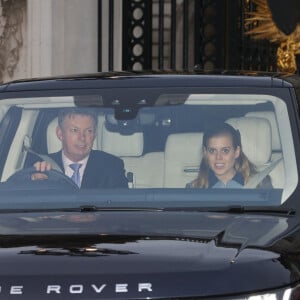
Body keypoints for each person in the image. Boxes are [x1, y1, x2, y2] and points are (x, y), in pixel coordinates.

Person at [34, 107, 128, 189]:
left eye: (89, 131)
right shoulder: (42, 166)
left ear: (94, 135)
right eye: (75, 130)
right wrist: (35, 184)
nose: (82, 138)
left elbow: (122, 206)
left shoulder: (112, 166)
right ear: (60, 133)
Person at [187, 122, 272, 189]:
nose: (218, 157)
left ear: (236, 152)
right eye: (212, 151)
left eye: (225, 150)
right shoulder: (194, 189)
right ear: (205, 153)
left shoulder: (259, 185)